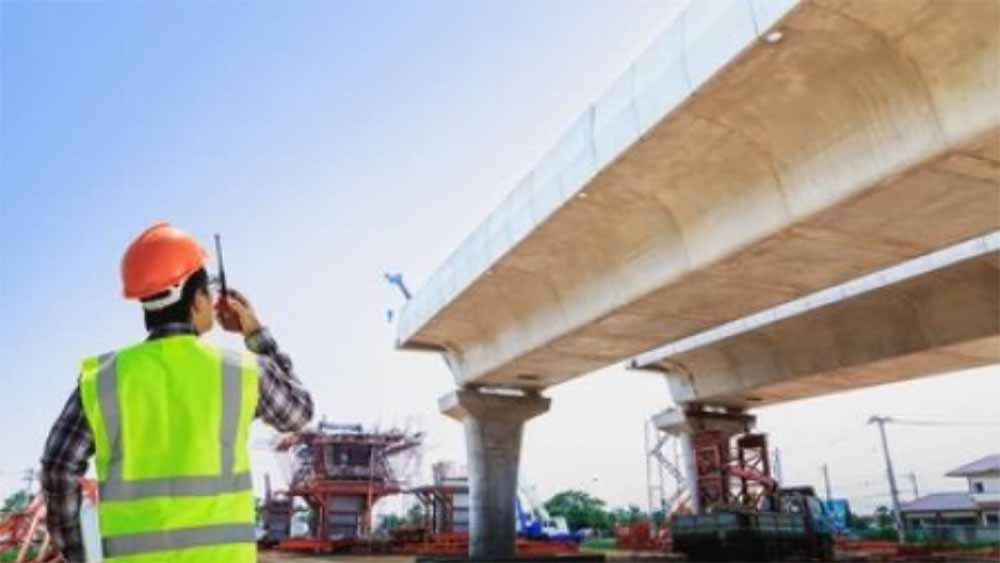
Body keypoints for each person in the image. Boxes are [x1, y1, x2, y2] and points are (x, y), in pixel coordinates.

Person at [40, 222, 313, 562]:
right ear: (197, 300)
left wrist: (77, 553)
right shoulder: (242, 371)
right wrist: (255, 333)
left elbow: (58, 466)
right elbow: (299, 412)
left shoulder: (103, 378)